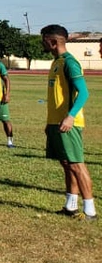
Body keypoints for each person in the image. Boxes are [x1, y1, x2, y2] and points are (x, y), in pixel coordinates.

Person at [40, 24, 93, 220]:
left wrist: (70, 116)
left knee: (77, 164)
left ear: (53, 41)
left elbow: (84, 93)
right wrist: (50, 122)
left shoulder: (70, 62)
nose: (42, 43)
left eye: (44, 39)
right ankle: (71, 206)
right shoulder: (57, 62)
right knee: (66, 163)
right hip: (56, 122)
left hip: (68, 122)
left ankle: (90, 210)